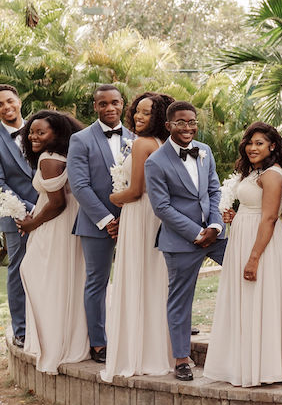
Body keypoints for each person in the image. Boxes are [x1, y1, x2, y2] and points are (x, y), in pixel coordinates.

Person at [203, 122, 282, 388]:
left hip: (261, 245)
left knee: (260, 301)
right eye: (250, 142)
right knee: (246, 302)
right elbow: (256, 210)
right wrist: (238, 216)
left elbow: (268, 218)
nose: (252, 147)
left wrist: (254, 258)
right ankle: (243, 364)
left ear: (273, 146)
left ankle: (261, 369)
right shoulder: (257, 172)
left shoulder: (271, 175)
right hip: (246, 237)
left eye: (259, 143)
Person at [144, 101, 227, 382]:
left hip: (215, 236)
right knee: (180, 300)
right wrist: (195, 232)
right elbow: (162, 207)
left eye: (192, 122)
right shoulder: (155, 161)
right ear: (168, 126)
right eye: (180, 122)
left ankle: (245, 345)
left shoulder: (205, 151)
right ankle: (181, 359)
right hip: (180, 240)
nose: (188, 127)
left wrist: (215, 225)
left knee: (247, 272)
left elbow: (214, 191)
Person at [101, 92, 174, 381]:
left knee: (136, 277)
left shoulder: (143, 144)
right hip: (154, 215)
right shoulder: (164, 144)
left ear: (159, 117)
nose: (139, 117)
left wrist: (114, 196)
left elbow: (136, 190)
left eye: (147, 113)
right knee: (154, 279)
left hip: (140, 213)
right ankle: (157, 352)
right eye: (138, 111)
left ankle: (136, 354)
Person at [16, 110, 88, 375]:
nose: (33, 136)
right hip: (70, 224)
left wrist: (31, 224)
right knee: (64, 280)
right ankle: (67, 339)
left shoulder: (49, 159)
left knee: (40, 277)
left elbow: (57, 203)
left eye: (40, 132)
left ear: (56, 134)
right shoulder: (67, 155)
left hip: (54, 226)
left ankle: (54, 344)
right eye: (31, 132)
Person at [67, 84, 135, 364]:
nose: (110, 108)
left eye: (115, 103)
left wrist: (130, 218)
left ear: (123, 105)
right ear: (95, 106)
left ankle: (132, 336)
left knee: (136, 280)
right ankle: (98, 343)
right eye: (103, 103)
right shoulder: (80, 140)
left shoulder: (136, 139)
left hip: (133, 222)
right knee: (97, 282)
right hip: (96, 224)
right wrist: (107, 220)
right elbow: (79, 185)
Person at [0, 84, 37, 349]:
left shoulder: (40, 128)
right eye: (0, 104)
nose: (6, 107)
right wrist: (29, 208)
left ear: (19, 101)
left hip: (54, 212)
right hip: (17, 218)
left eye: (10, 101)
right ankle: (21, 329)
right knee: (19, 270)